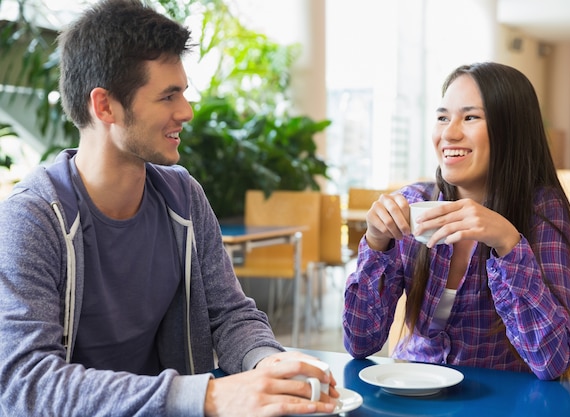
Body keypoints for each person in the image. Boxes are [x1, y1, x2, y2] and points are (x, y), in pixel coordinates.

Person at [0, 0, 339, 416]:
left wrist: (268, 363)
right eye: (168, 96)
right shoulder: (32, 219)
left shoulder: (183, 195)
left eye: (184, 92)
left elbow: (230, 314)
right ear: (104, 106)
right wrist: (209, 397)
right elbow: (26, 385)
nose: (187, 112)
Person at [343, 62, 570, 381]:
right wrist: (375, 243)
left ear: (511, 130)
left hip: (500, 402)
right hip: (412, 391)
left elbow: (551, 361)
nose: (449, 133)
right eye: (443, 117)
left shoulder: (542, 211)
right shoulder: (413, 204)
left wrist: (507, 243)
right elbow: (360, 343)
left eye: (470, 117)